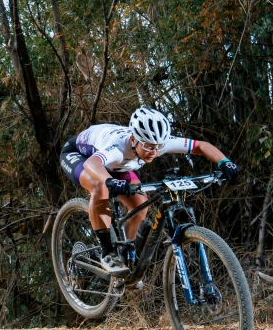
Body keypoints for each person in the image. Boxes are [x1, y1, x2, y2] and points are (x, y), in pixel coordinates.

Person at [60, 106, 239, 275]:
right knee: (100, 187)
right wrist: (109, 180)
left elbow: (199, 145)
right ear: (133, 140)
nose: (153, 151)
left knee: (140, 203)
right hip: (80, 155)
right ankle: (107, 253)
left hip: (118, 165)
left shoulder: (157, 142)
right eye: (148, 146)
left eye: (158, 147)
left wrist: (225, 162)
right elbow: (92, 163)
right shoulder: (118, 147)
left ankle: (125, 255)